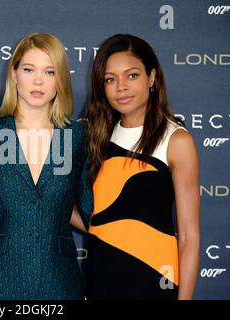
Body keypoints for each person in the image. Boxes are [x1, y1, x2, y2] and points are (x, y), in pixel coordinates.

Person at [0, 32, 92, 300]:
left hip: (59, 281)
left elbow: (90, 211)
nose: (38, 80)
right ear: (14, 74)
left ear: (59, 80)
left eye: (49, 72)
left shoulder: (78, 137)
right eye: (29, 69)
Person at [84, 34, 200, 299]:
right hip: (101, 280)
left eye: (132, 75)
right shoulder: (95, 137)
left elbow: (190, 237)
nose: (121, 87)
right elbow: (99, 219)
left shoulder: (176, 140)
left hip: (154, 280)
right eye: (110, 79)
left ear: (151, 77)